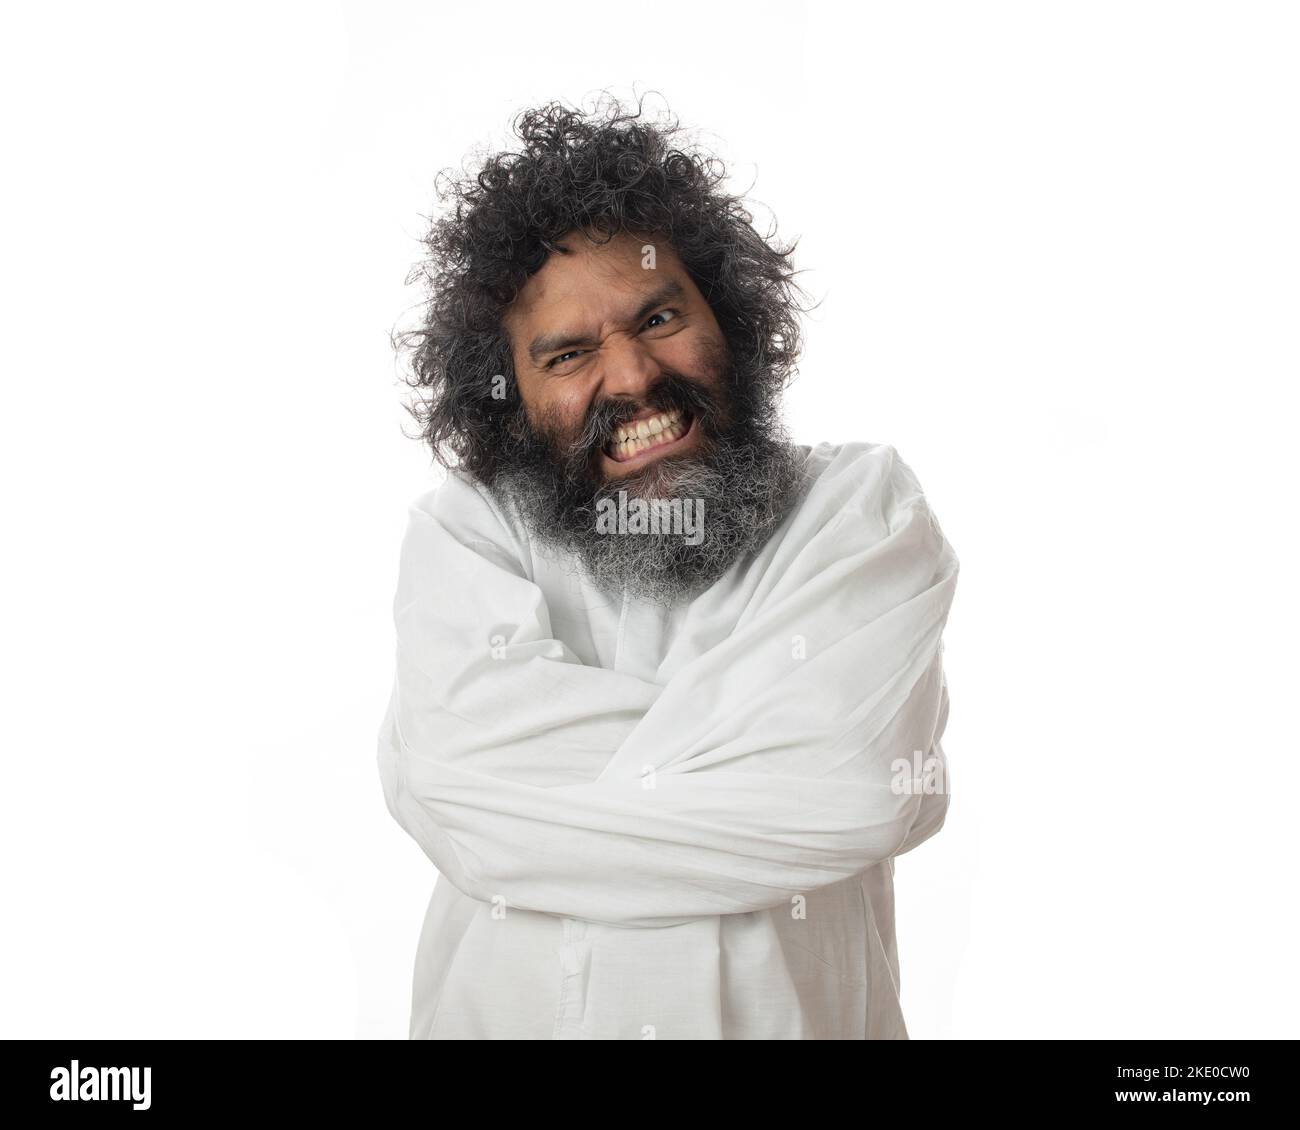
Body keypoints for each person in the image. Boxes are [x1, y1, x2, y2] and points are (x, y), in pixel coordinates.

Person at [377, 96, 959, 1039]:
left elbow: (853, 789)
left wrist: (546, 817)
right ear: (510, 401)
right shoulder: (469, 537)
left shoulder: (860, 512)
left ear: (728, 317)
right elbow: (458, 786)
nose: (635, 376)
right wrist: (741, 770)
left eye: (658, 316)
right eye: (568, 353)